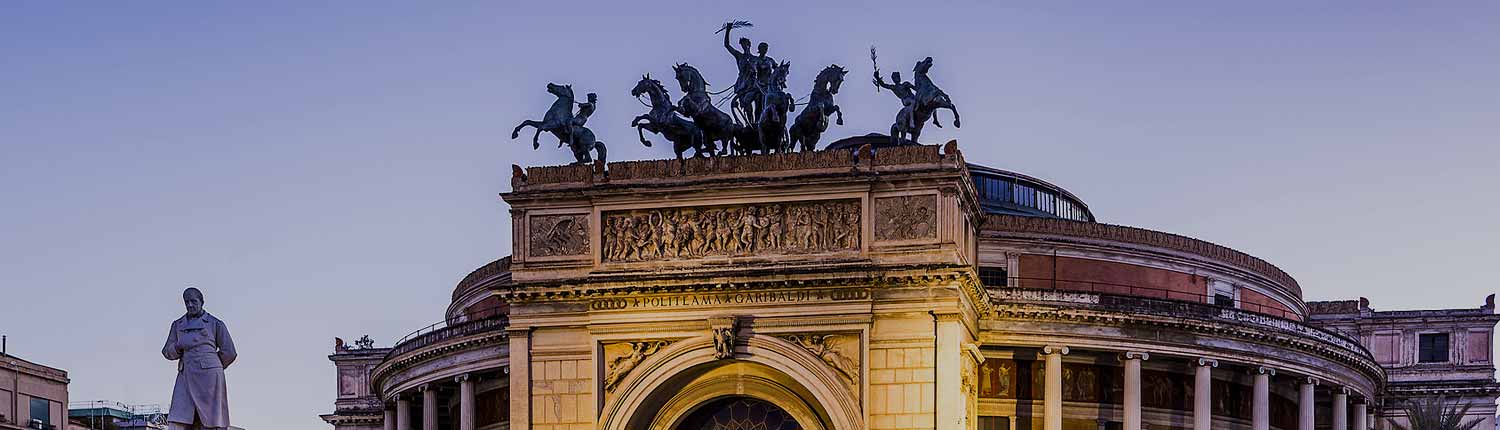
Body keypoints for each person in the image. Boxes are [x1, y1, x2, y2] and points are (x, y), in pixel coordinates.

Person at [162, 287, 236, 430]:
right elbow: (166, 351)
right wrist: (178, 346)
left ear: (202, 302)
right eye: (186, 302)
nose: (190, 305)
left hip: (209, 378)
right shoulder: (178, 324)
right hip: (185, 375)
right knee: (178, 418)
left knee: (211, 421)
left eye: (193, 301)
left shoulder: (215, 324)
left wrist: (212, 366)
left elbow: (229, 352)